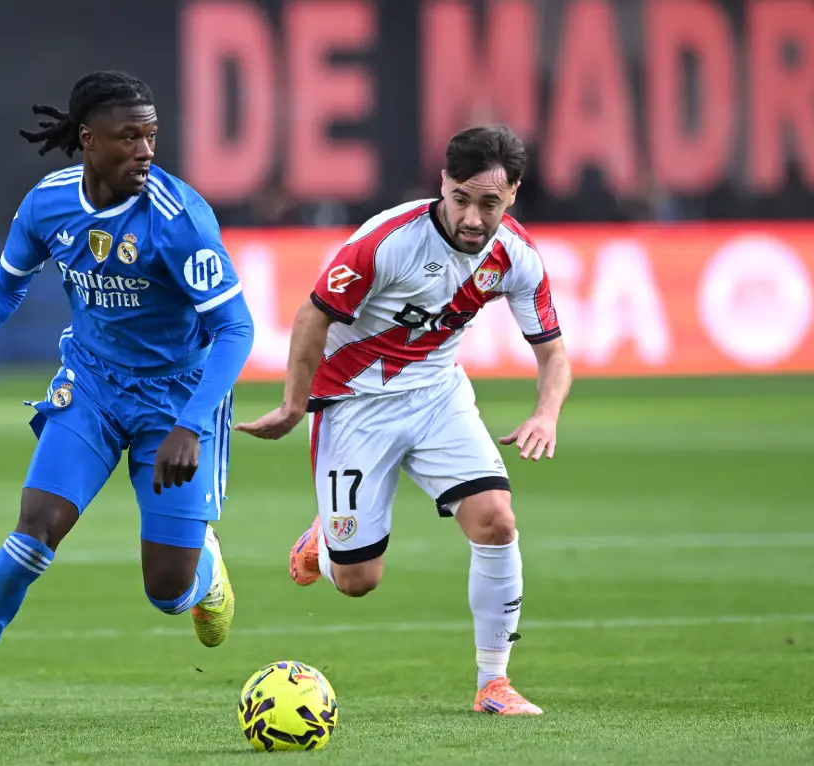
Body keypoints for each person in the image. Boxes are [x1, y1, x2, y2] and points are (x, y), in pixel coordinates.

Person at [0, 71, 255, 747]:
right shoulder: (50, 204)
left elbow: (236, 331)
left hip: (173, 401)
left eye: (151, 135)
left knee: (166, 591)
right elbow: (6, 285)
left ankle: (203, 569)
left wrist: (190, 423)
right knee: (34, 530)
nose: (146, 149)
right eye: (129, 137)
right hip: (89, 388)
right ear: (88, 141)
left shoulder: (181, 222)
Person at [236, 125, 570, 716]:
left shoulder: (515, 255)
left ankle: (494, 683)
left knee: (496, 521)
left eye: (489, 203)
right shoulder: (388, 241)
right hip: (353, 405)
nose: (472, 217)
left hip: (439, 395)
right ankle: (326, 541)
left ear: (512, 194)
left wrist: (546, 412)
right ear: (443, 182)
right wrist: (294, 405)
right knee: (360, 580)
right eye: (462, 197)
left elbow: (553, 352)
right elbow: (313, 317)